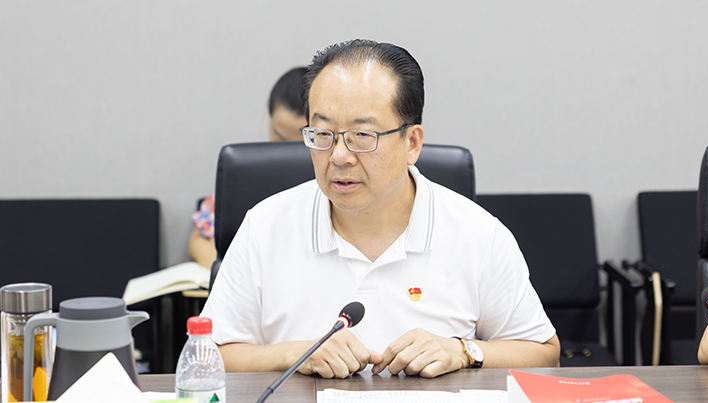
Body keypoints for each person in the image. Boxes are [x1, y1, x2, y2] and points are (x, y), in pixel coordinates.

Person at [200, 39, 560, 379]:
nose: (339, 156)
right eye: (322, 134)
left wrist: (463, 350)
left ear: (412, 143)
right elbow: (206, 356)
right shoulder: (266, 226)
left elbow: (544, 354)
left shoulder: (477, 233)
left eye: (362, 136)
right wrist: (294, 354)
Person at [188, 66, 308, 269]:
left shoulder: (339, 184)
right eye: (279, 137)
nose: (287, 153)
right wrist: (236, 273)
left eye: (301, 146)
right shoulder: (249, 175)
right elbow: (197, 241)